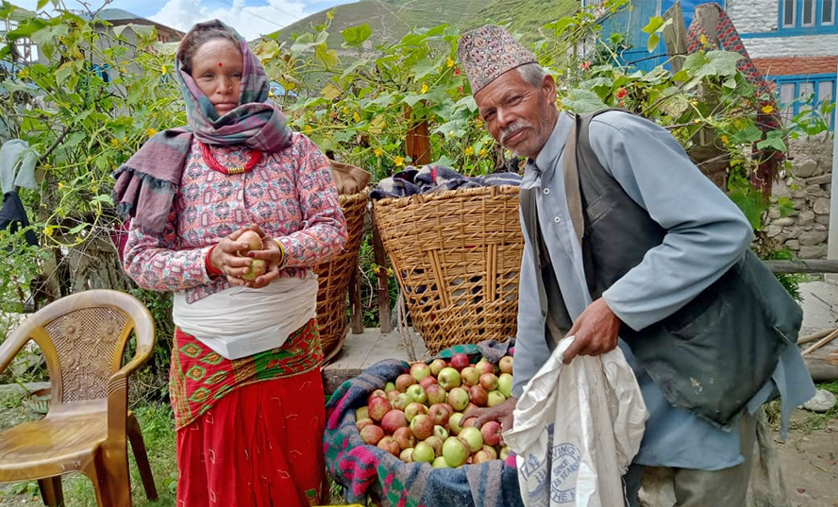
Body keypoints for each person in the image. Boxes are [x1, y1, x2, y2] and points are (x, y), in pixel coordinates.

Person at [458, 25, 815, 506]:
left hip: (702, 374)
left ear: (547, 90)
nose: (503, 119)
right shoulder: (531, 187)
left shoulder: (610, 138)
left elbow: (719, 229)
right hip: (637, 394)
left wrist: (619, 306)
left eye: (513, 100)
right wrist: (526, 396)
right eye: (489, 114)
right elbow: (534, 303)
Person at [114, 20, 347, 507]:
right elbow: (139, 260)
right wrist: (211, 260)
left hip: (289, 345)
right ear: (188, 79)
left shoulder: (294, 149)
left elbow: (332, 230)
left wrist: (280, 252)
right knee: (219, 474)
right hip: (208, 350)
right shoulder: (168, 159)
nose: (224, 88)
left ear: (254, 75)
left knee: (293, 463)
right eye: (208, 76)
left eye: (236, 74)